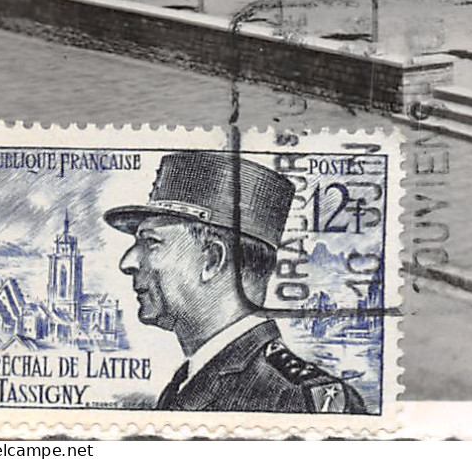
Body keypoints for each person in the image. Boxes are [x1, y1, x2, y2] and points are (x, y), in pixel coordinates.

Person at [103, 151, 367, 414]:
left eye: (150, 242)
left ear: (212, 260)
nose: (128, 262)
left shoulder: (294, 397)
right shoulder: (187, 380)